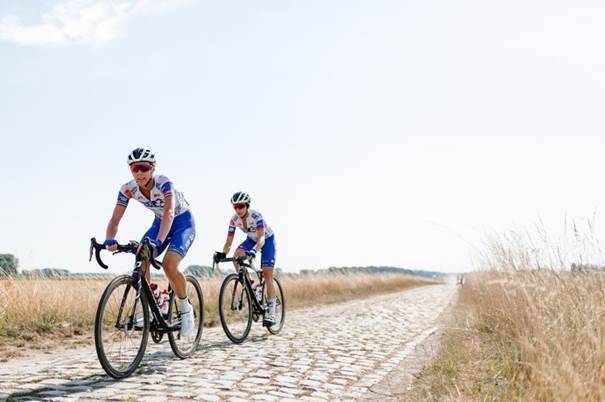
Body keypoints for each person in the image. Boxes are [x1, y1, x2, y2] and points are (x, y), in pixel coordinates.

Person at [103, 147, 196, 337]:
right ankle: (153, 301)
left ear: (152, 168)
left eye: (144, 168)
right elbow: (114, 220)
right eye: (134, 168)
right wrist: (109, 240)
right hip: (159, 222)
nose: (139, 173)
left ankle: (186, 309)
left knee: (169, 265)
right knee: (141, 255)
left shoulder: (164, 183)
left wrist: (159, 241)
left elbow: (169, 213)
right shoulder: (128, 189)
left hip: (182, 223)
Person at [221, 191, 278, 325]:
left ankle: (271, 313)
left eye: (241, 206)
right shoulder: (234, 219)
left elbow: (262, 238)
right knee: (236, 258)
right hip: (251, 240)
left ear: (247, 205)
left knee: (267, 274)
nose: (238, 209)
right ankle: (251, 285)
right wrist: (223, 253)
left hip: (266, 240)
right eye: (235, 207)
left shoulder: (256, 216)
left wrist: (254, 251)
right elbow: (229, 241)